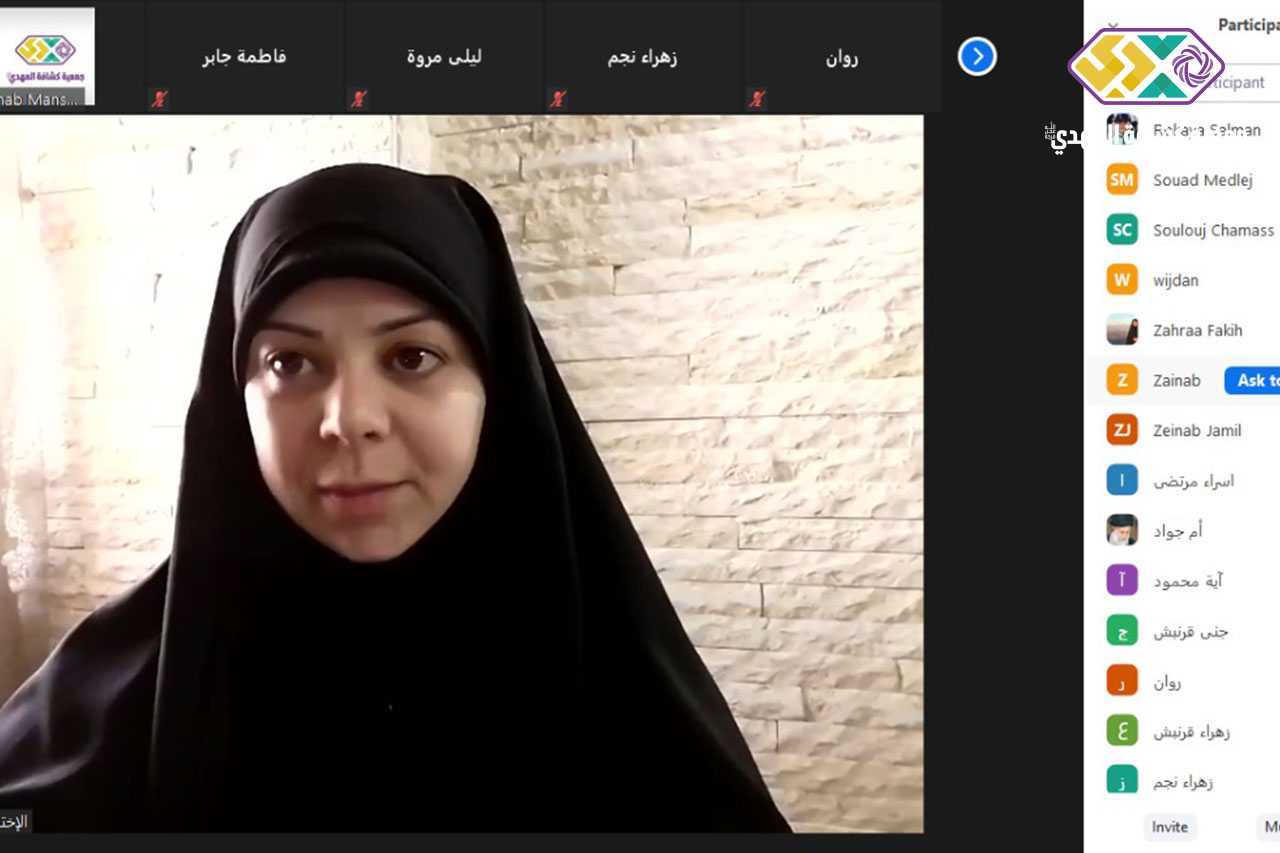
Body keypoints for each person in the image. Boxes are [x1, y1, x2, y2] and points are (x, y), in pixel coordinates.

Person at [0, 164, 792, 832]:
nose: (350, 421)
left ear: (495, 386)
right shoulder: (122, 696)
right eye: (289, 363)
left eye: (411, 356)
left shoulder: (621, 697)